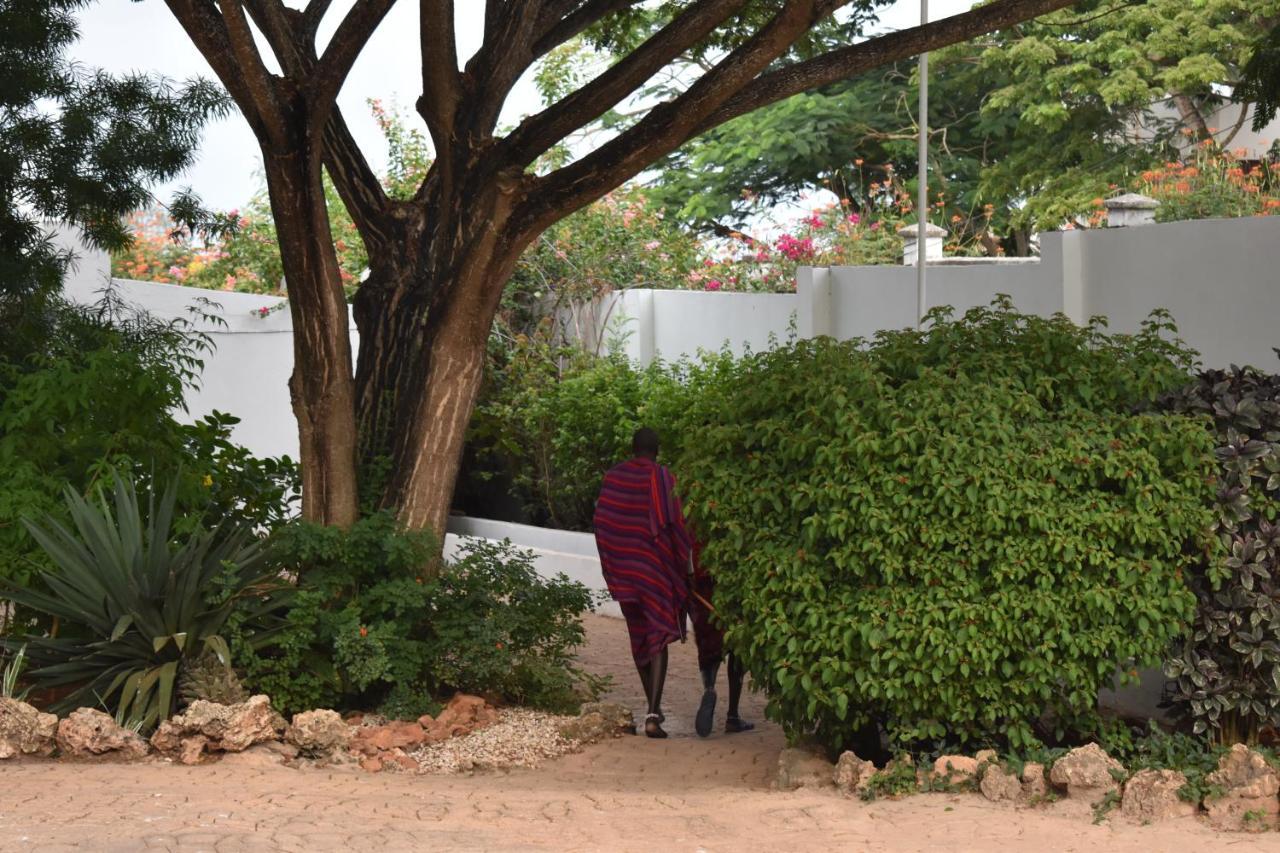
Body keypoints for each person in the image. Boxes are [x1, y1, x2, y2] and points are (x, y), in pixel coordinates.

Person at [594, 427, 692, 739]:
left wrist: (612, 564)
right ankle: (652, 713)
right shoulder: (662, 478)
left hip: (624, 571)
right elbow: (675, 523)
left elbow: (602, 522)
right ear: (657, 450)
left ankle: (653, 705)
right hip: (654, 571)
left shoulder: (613, 478)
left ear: (632, 448)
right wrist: (683, 570)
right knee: (659, 636)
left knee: (639, 637)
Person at [689, 538, 754, 738]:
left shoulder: (691, 514)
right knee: (738, 641)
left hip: (702, 581)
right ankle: (732, 716)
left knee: (709, 643)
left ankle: (709, 687)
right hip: (735, 578)